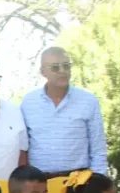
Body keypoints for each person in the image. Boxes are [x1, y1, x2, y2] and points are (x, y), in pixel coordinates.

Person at [20, 48, 108, 178]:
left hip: (78, 181)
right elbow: (23, 148)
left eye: (66, 66)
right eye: (55, 67)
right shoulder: (28, 103)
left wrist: (99, 182)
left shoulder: (88, 101)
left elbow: (98, 149)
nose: (62, 71)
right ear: (43, 72)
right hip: (40, 183)